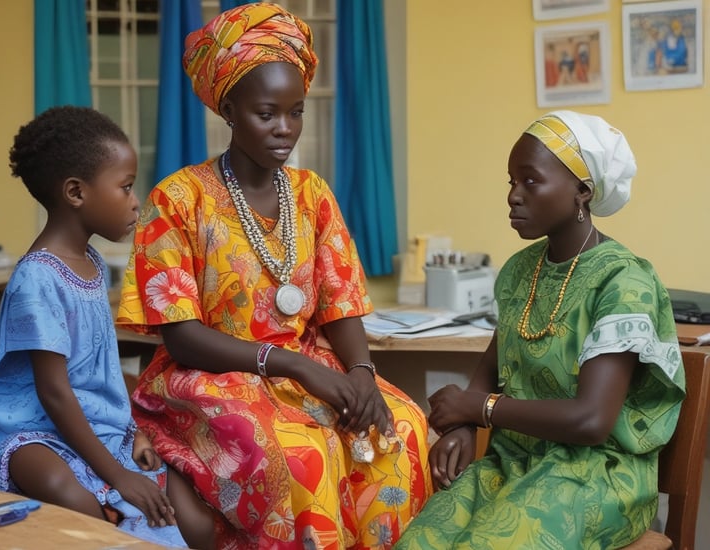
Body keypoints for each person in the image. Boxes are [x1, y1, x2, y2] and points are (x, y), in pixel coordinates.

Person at [116, 3, 432, 549]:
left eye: (296, 111)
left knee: (400, 426)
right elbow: (181, 336)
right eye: (267, 113)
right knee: (300, 455)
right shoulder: (177, 199)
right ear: (230, 109)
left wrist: (360, 372)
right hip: (210, 377)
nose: (285, 128)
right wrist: (290, 365)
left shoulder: (312, 194)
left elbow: (341, 301)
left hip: (306, 365)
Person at [395, 110, 686, 549]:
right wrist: (462, 427)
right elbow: (490, 367)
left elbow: (591, 421)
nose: (514, 195)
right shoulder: (519, 272)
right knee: (417, 541)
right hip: (512, 460)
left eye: (531, 181)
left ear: (582, 192)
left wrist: (479, 410)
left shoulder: (622, 281)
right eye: (511, 181)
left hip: (595, 475)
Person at [0, 106, 205, 548]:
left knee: (189, 517)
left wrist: (132, 430)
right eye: (124, 187)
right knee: (72, 496)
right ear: (76, 193)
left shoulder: (92, 263)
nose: (135, 199)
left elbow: (97, 368)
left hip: (80, 418)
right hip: (19, 424)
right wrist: (117, 473)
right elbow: (54, 392)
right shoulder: (37, 278)